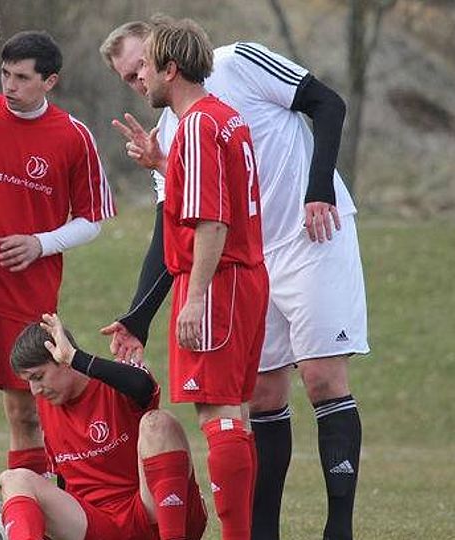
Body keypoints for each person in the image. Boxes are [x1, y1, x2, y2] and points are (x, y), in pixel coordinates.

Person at [99, 19, 369, 540]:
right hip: (246, 257)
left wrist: (320, 189)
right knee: (264, 394)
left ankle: (339, 529)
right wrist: (140, 316)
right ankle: (260, 531)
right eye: (127, 78)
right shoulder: (178, 128)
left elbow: (328, 103)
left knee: (320, 379)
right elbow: (173, 227)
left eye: (142, 68)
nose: (137, 82)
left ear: (164, 57)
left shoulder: (234, 67)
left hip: (308, 234)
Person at [0, 30, 115, 540]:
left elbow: (93, 218)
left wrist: (40, 242)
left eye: (22, 78)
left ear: (49, 80)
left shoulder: (72, 136)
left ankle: (28, 519)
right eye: (4, 73)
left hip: (27, 296)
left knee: (26, 412)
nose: (8, 85)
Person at [126, 17, 270, 540]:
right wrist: (163, 162)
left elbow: (213, 218)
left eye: (145, 66)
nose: (141, 77)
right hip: (245, 276)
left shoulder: (196, 126)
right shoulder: (223, 118)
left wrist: (196, 299)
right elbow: (215, 190)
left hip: (219, 280)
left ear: (171, 68)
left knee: (218, 409)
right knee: (233, 410)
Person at [0, 313, 207, 540]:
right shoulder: (47, 403)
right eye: (29, 380)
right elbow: (64, 481)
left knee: (159, 423)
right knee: (13, 478)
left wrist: (77, 357)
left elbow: (143, 385)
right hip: (98, 526)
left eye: (39, 376)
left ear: (65, 360)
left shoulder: (113, 381)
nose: (35, 389)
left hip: (150, 514)